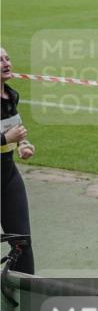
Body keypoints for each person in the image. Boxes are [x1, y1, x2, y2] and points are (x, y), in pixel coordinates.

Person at [1, 48, 36, 274]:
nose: (6, 63)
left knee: (22, 241)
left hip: (8, 177)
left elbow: (14, 129)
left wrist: (22, 144)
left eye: (7, 58)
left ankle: (27, 292)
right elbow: (6, 135)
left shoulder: (11, 95)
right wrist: (5, 138)